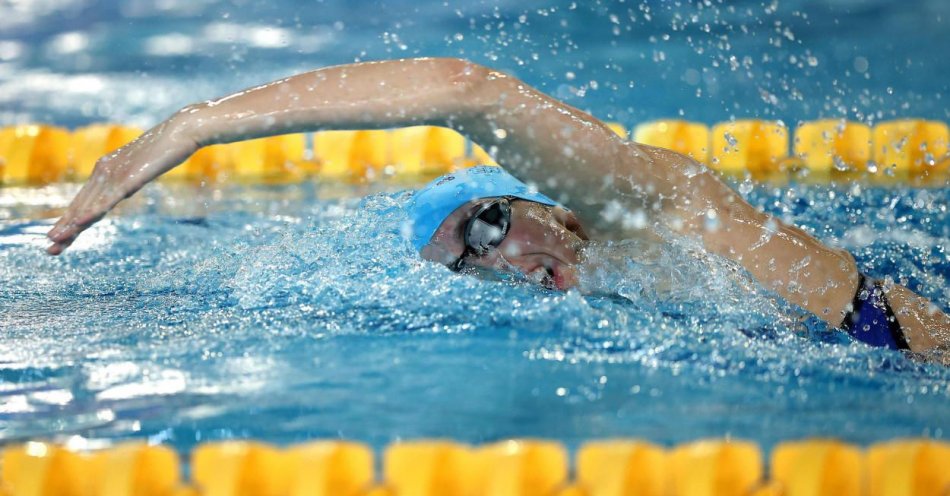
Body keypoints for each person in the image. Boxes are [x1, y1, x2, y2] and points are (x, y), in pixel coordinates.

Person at [45, 57, 949, 362]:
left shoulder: (635, 204)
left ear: (535, 197)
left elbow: (465, 91)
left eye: (487, 226)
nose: (499, 260)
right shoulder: (614, 302)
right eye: (466, 264)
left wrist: (199, 125)